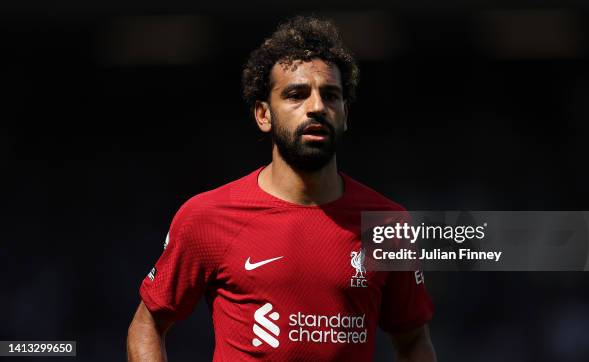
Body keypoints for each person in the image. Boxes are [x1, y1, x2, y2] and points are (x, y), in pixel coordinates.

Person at [127, 15, 436, 361]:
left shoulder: (387, 225)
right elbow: (147, 325)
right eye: (296, 94)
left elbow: (413, 342)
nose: (317, 107)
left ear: (345, 115)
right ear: (264, 115)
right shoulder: (206, 217)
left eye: (330, 96)